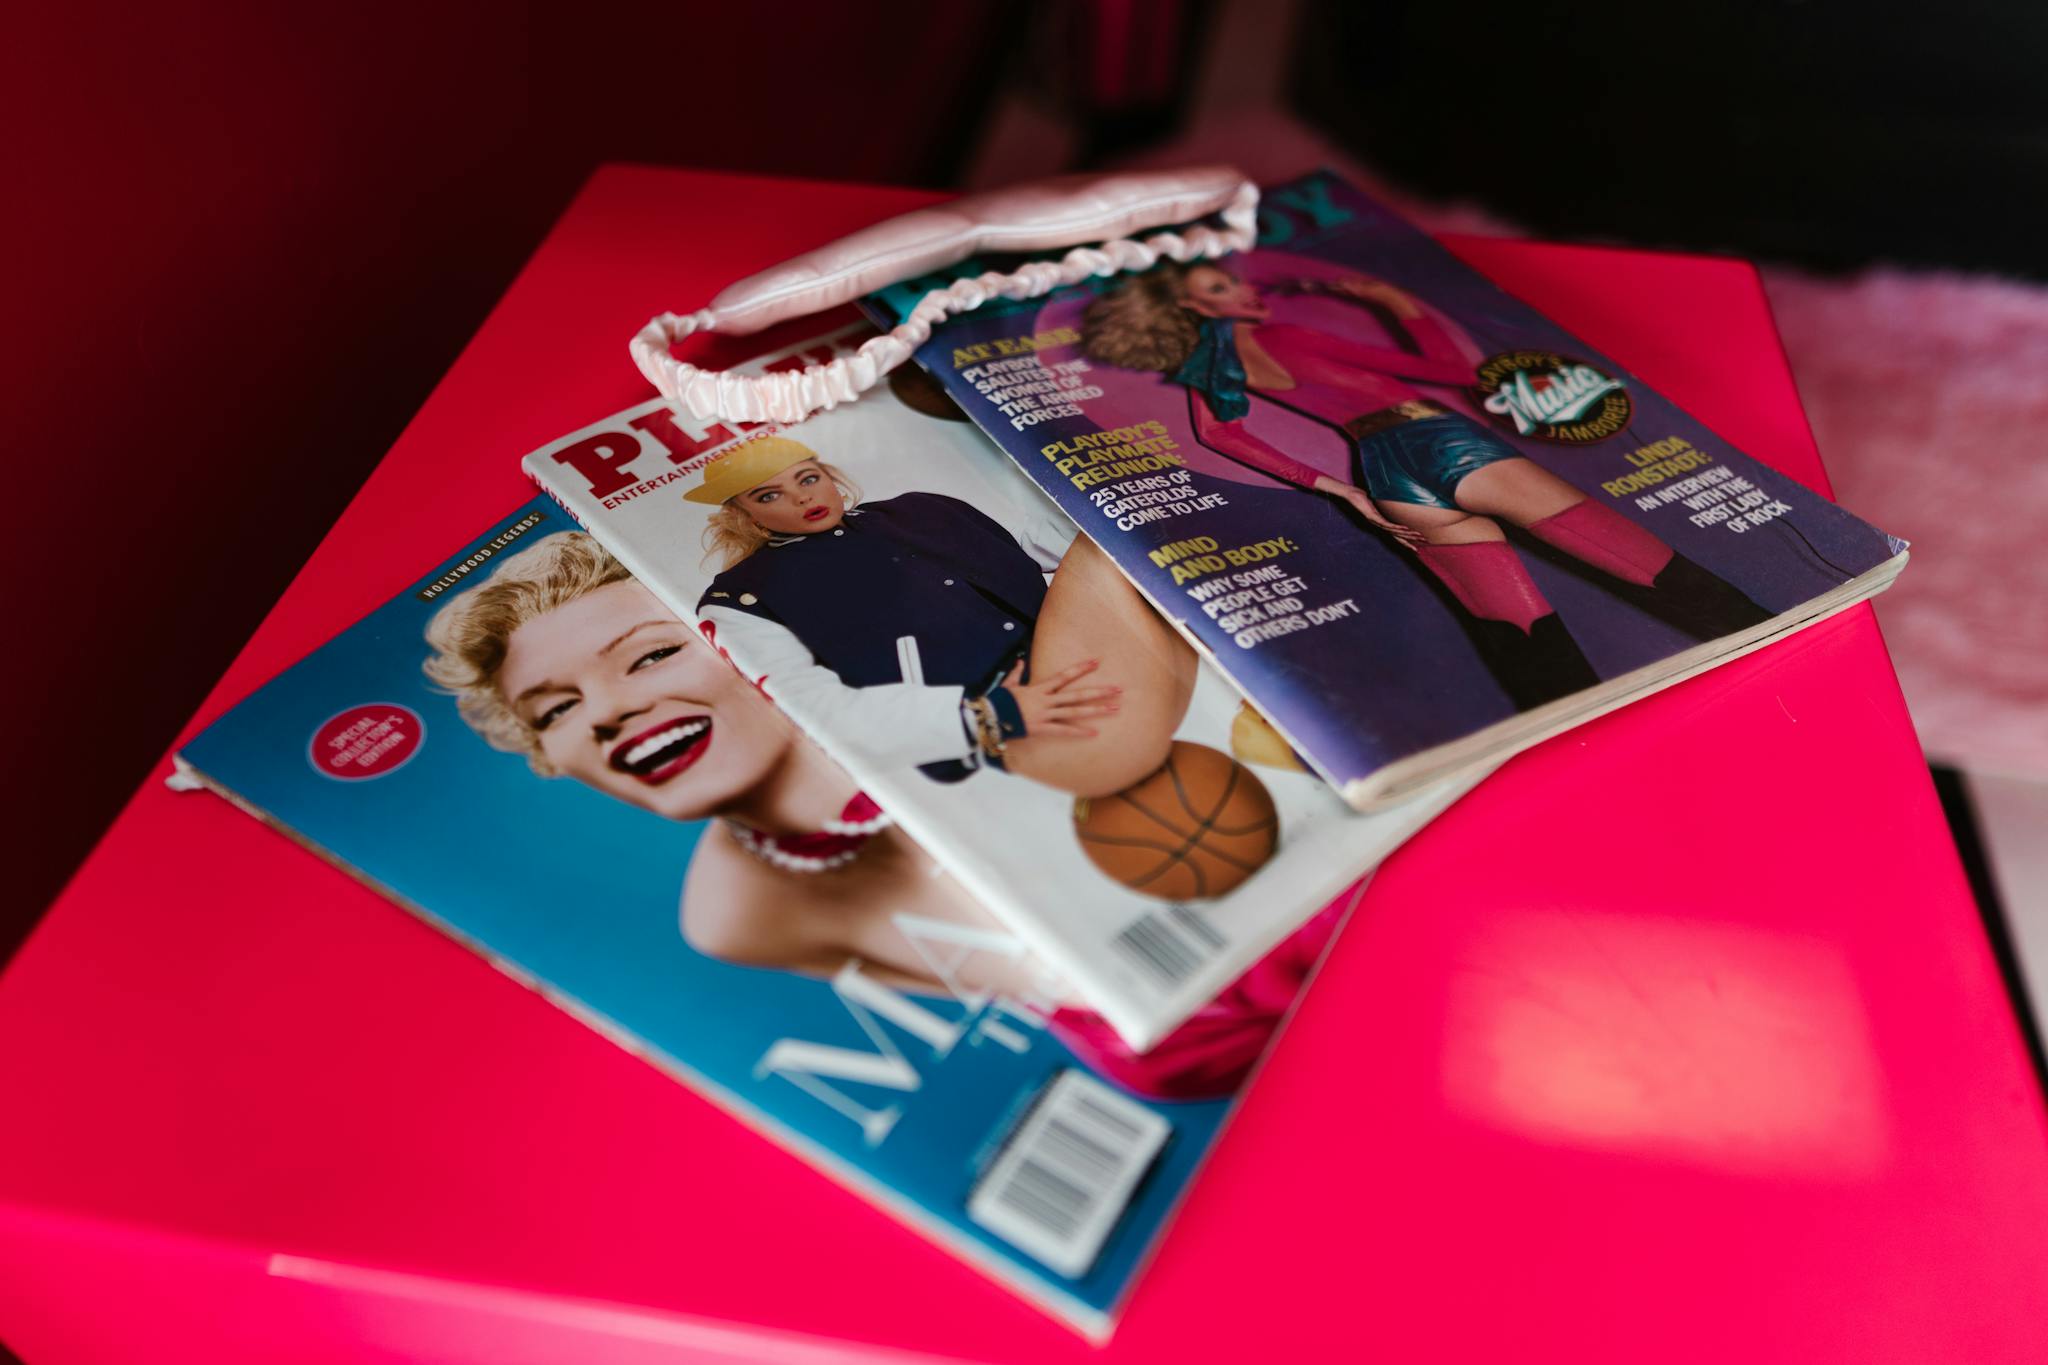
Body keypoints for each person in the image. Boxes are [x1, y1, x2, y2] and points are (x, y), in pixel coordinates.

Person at [421, 528, 1317, 1100]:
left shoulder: (1021, 688)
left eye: (650, 655)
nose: (606, 710)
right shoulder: (736, 916)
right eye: (556, 710)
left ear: (757, 644)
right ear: (546, 756)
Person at [1080, 261, 1772, 709]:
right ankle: (1778, 654)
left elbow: (1220, 435)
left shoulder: (1218, 368)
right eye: (1222, 285)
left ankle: (1574, 757)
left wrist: (1341, 490)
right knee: (1654, 568)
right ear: (1194, 304)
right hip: (1444, 443)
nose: (1245, 286)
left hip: (1382, 472)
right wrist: (1391, 295)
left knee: (1523, 636)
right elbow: (1446, 370)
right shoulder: (1288, 336)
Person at [687, 435, 1204, 800]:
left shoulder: (921, 510)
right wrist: (985, 716)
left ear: (831, 478)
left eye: (809, 478)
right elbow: (815, 710)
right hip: (998, 722)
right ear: (744, 515)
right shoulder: (742, 596)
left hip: (1079, 656)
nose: (803, 497)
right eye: (770, 494)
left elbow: (1028, 544)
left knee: (1122, 529)